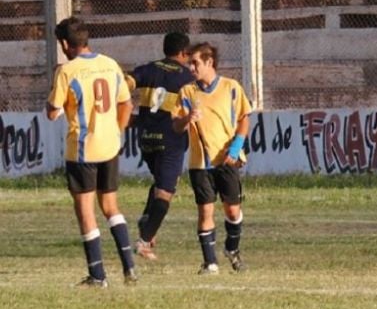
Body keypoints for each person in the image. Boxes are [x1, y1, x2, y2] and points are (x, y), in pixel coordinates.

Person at [45, 16, 138, 287]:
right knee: (111, 206)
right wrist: (117, 131)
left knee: (86, 210)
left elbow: (52, 113)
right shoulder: (110, 64)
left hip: (83, 150)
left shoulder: (67, 71)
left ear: (64, 43)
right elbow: (126, 105)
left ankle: (98, 275)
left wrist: (56, 98)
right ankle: (129, 266)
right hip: (110, 146)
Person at [172, 42, 251, 274]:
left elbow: (244, 118)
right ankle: (210, 262)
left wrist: (236, 146)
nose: (191, 68)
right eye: (189, 64)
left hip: (227, 159)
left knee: (232, 211)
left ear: (209, 62)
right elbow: (175, 125)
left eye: (195, 63)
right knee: (205, 211)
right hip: (200, 164)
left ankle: (232, 249)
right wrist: (187, 119)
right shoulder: (187, 92)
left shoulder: (231, 87)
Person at [126, 32, 195, 261]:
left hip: (146, 138)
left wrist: (127, 113)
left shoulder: (147, 69)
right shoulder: (187, 76)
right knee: (165, 192)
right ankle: (144, 241)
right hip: (170, 140)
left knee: (161, 183)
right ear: (184, 53)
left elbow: (124, 84)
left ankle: (148, 220)